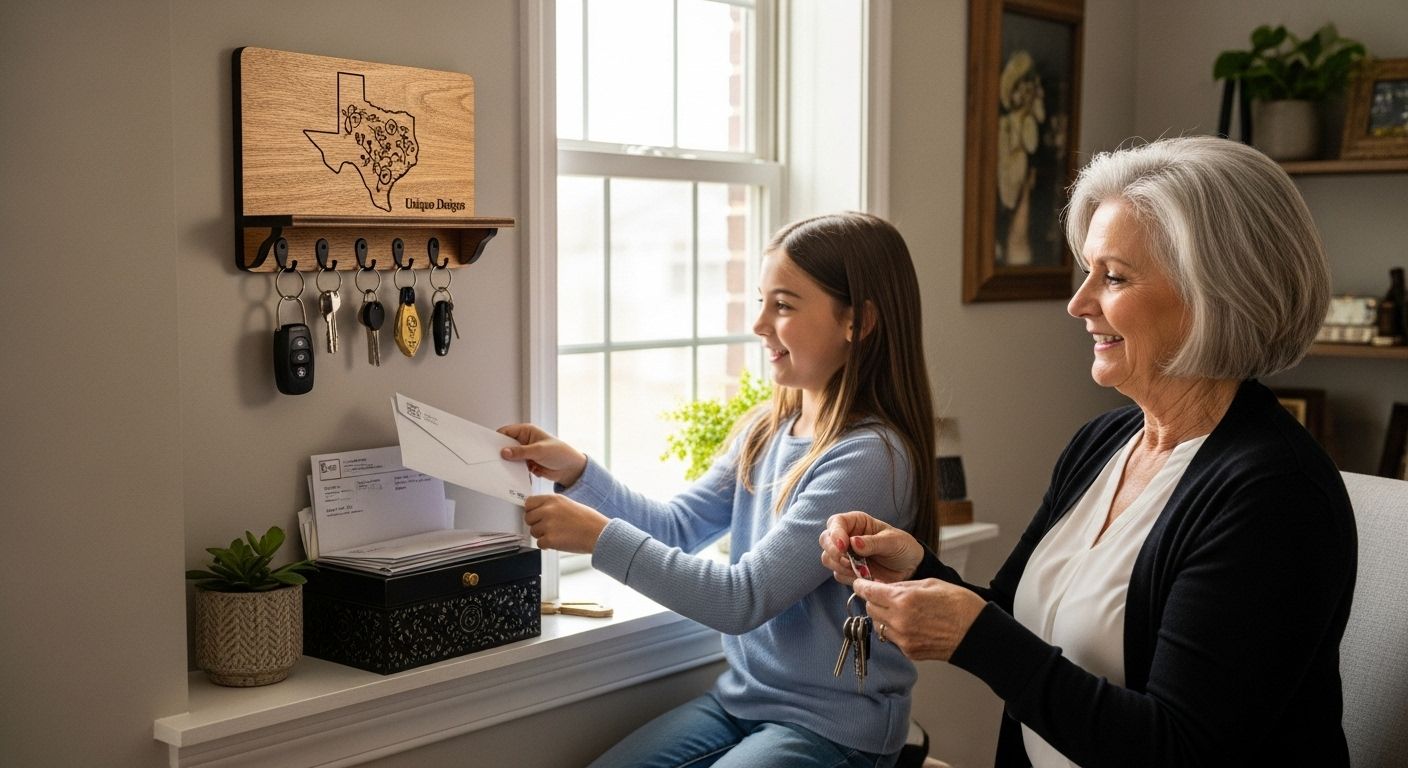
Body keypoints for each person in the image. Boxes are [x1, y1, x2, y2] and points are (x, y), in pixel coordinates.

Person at [820, 137, 1357, 767]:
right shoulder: (1102, 443)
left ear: (1216, 295)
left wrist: (974, 638)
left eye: (1114, 277)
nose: (1078, 303)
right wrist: (917, 571)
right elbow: (1024, 625)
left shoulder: (1277, 497)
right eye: (1087, 272)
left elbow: (1179, 750)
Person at [498, 212, 939, 768]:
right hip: (743, 704)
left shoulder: (869, 457)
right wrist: (578, 472)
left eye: (782, 305)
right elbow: (676, 527)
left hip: (833, 730)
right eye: (761, 300)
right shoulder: (766, 430)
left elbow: (743, 598)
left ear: (858, 320)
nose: (757, 323)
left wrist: (599, 538)